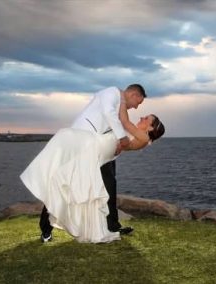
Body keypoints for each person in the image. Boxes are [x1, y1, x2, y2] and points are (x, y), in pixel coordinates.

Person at [20, 84, 165, 243]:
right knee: (65, 183)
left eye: (146, 119)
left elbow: (123, 124)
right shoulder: (112, 93)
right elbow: (113, 117)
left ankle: (111, 225)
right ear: (134, 95)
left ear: (151, 128)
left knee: (103, 188)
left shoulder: (137, 131)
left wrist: (122, 138)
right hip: (87, 146)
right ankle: (46, 228)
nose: (138, 110)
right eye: (139, 102)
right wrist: (122, 106)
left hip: (100, 154)